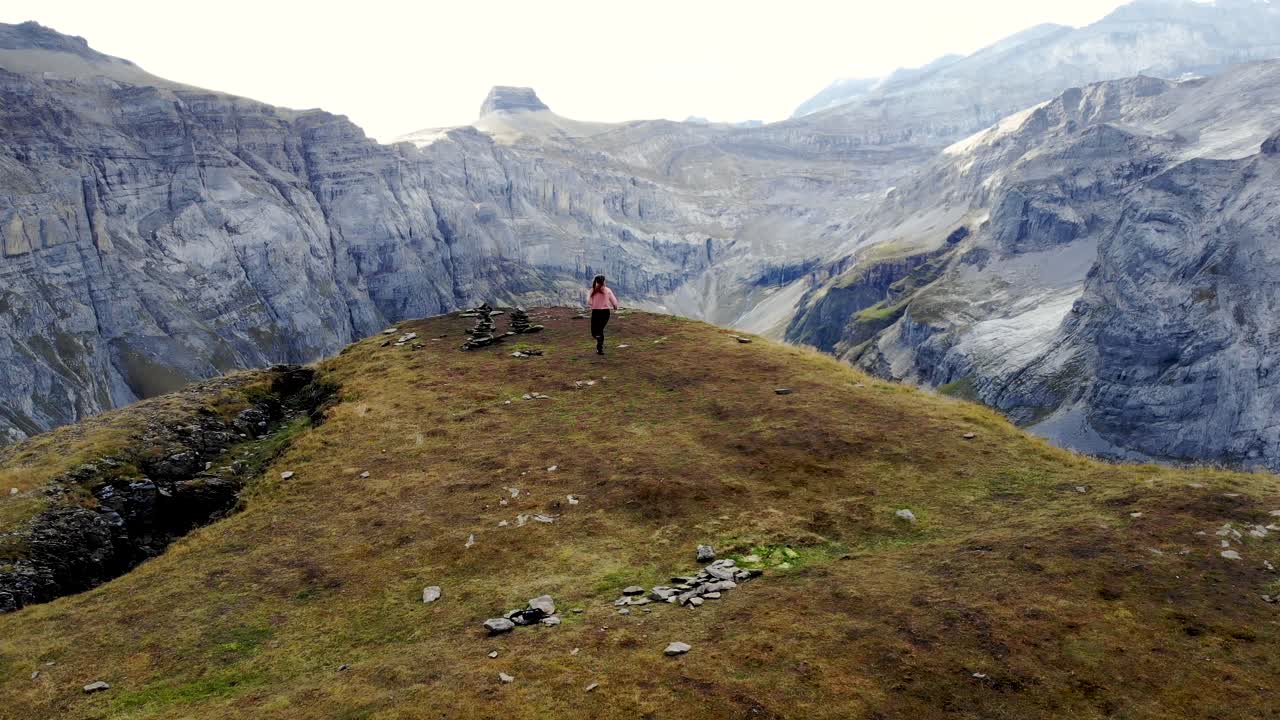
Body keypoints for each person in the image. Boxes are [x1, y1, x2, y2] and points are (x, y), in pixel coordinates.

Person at [587, 274, 619, 355]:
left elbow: (589, 302)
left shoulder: (592, 290)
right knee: (600, 329)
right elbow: (614, 301)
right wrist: (615, 306)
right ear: (603, 281)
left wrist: (595, 303)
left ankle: (599, 345)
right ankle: (599, 348)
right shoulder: (608, 290)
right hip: (605, 312)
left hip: (596, 312)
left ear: (596, 281)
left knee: (595, 331)